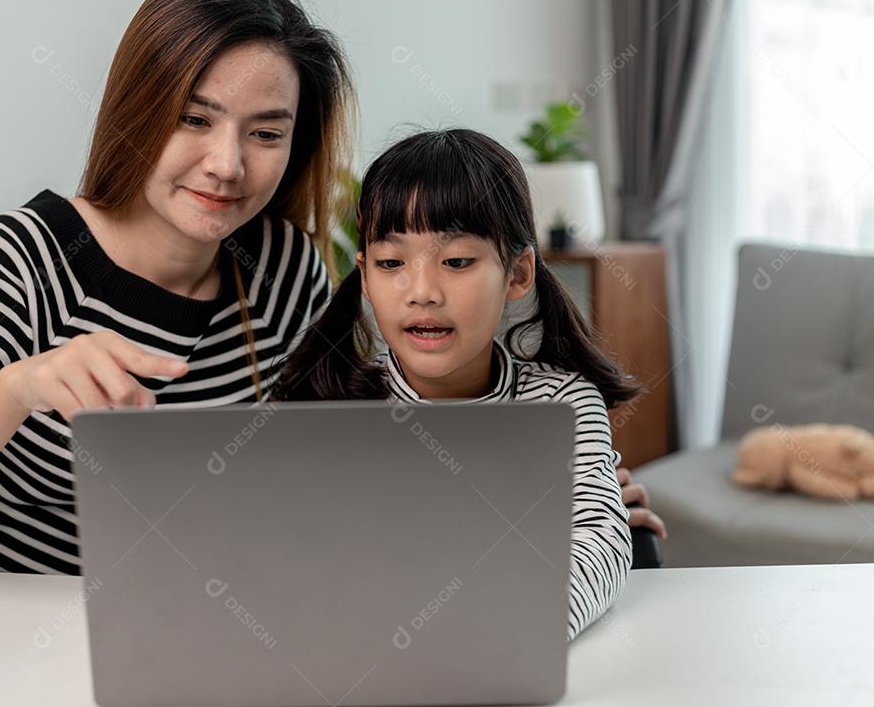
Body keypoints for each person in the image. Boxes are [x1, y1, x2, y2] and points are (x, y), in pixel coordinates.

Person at [0, 0, 354, 574]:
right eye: (193, 119)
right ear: (138, 111)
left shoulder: (286, 274)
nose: (227, 164)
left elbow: (316, 486)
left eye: (265, 134)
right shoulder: (27, 258)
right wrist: (20, 388)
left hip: (144, 613)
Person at [272, 129, 663, 640]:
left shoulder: (561, 402)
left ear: (518, 274)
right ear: (364, 276)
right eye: (391, 264)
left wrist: (513, 633)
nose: (422, 293)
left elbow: (598, 543)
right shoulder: (334, 409)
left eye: (456, 262)